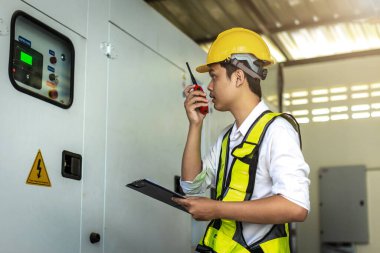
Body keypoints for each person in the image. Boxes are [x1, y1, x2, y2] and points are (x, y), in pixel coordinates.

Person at [172, 27, 310, 253]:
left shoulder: (277, 131)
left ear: (238, 77)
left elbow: (296, 207)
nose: (209, 86)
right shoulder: (228, 136)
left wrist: (217, 209)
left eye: (214, 76)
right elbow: (192, 185)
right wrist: (195, 125)